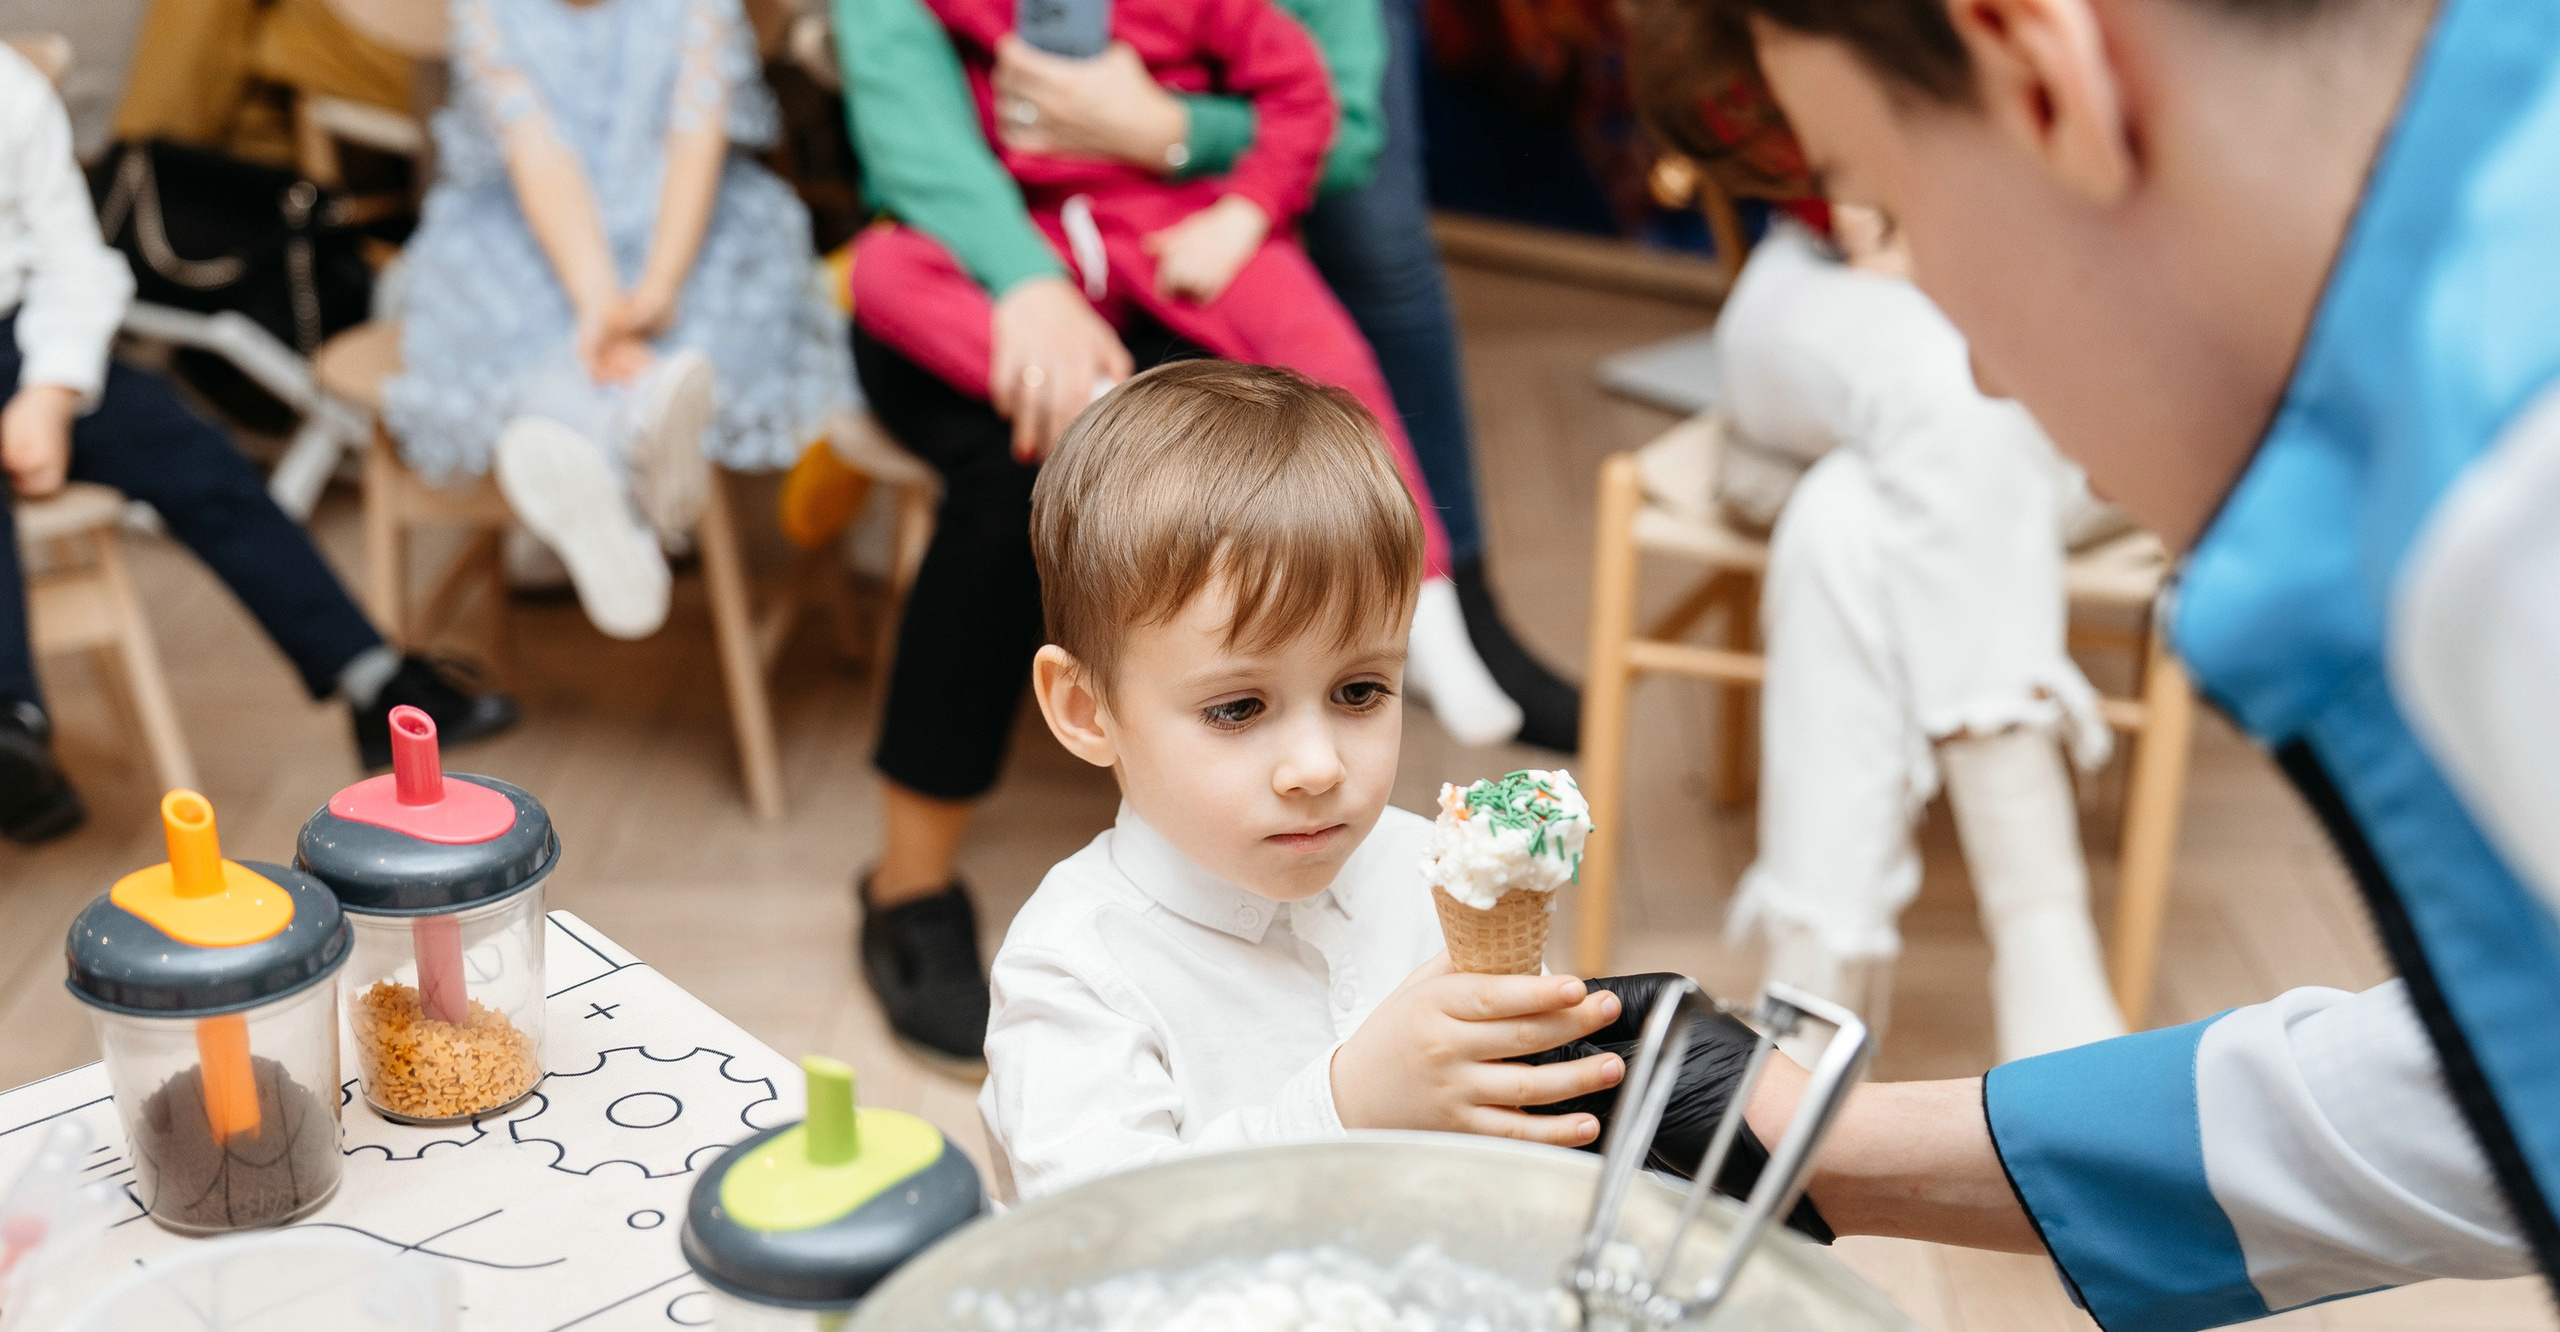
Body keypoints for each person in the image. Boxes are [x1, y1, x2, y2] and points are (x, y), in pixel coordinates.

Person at [1615, 0, 2560, 1332]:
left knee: (1870, 497)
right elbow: (2521, 1064)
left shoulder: (2510, 536)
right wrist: (1818, 1141)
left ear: (2033, 65)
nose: (1987, 379)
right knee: (1854, 508)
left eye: (1890, 203)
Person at [830, 0, 1530, 1074]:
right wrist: (1031, 288)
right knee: (1016, 490)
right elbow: (910, 137)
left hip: (1170, 247)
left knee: (1269, 462)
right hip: (977, 263)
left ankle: (1309, 710)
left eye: (1362, 691)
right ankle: (908, 884)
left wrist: (1161, 128)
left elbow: (1340, 128)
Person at [983, 361, 1825, 1229]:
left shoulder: (1421, 869)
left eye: (1359, 691)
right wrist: (1346, 1105)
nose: (1316, 766)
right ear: (1087, 710)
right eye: (1237, 707)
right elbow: (1096, 1248)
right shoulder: (1073, 970)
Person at [980, 0, 1584, 748]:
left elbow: (1329, 114)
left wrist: (1186, 148)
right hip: (1055, 224)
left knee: (1354, 297)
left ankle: (1435, 607)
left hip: (1190, 211)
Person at [0, 41, 513, 846]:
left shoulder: (12, 91)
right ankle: (13, 726)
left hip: (22, 341)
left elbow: (78, 265)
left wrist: (49, 392)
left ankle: (369, 678)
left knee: (189, 450)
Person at [1714, 205, 2124, 1063]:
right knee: (1945, 384)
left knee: (1845, 517)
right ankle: (2041, 925)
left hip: (2051, 302)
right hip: (1825, 278)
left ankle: (1806, 1003)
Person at [384, 0, 849, 641]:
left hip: (686, 231)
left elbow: (695, 137)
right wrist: (600, 302)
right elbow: (538, 154)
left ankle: (597, 448)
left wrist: (656, 289)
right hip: (540, 237)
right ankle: (629, 449)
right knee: (533, 332)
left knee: (684, 329)